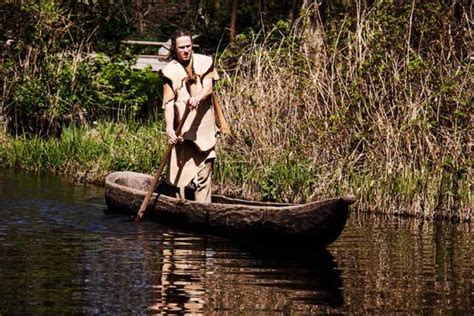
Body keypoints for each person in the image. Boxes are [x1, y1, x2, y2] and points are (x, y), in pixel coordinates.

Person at [160, 30, 219, 203]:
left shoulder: (204, 62)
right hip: (182, 131)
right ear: (175, 49)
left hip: (203, 130)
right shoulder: (169, 71)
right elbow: (169, 104)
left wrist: (198, 97)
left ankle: (202, 210)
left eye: (188, 46)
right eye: (181, 47)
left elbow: (208, 88)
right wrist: (169, 128)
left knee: (203, 175)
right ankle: (179, 210)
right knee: (178, 178)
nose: (186, 50)